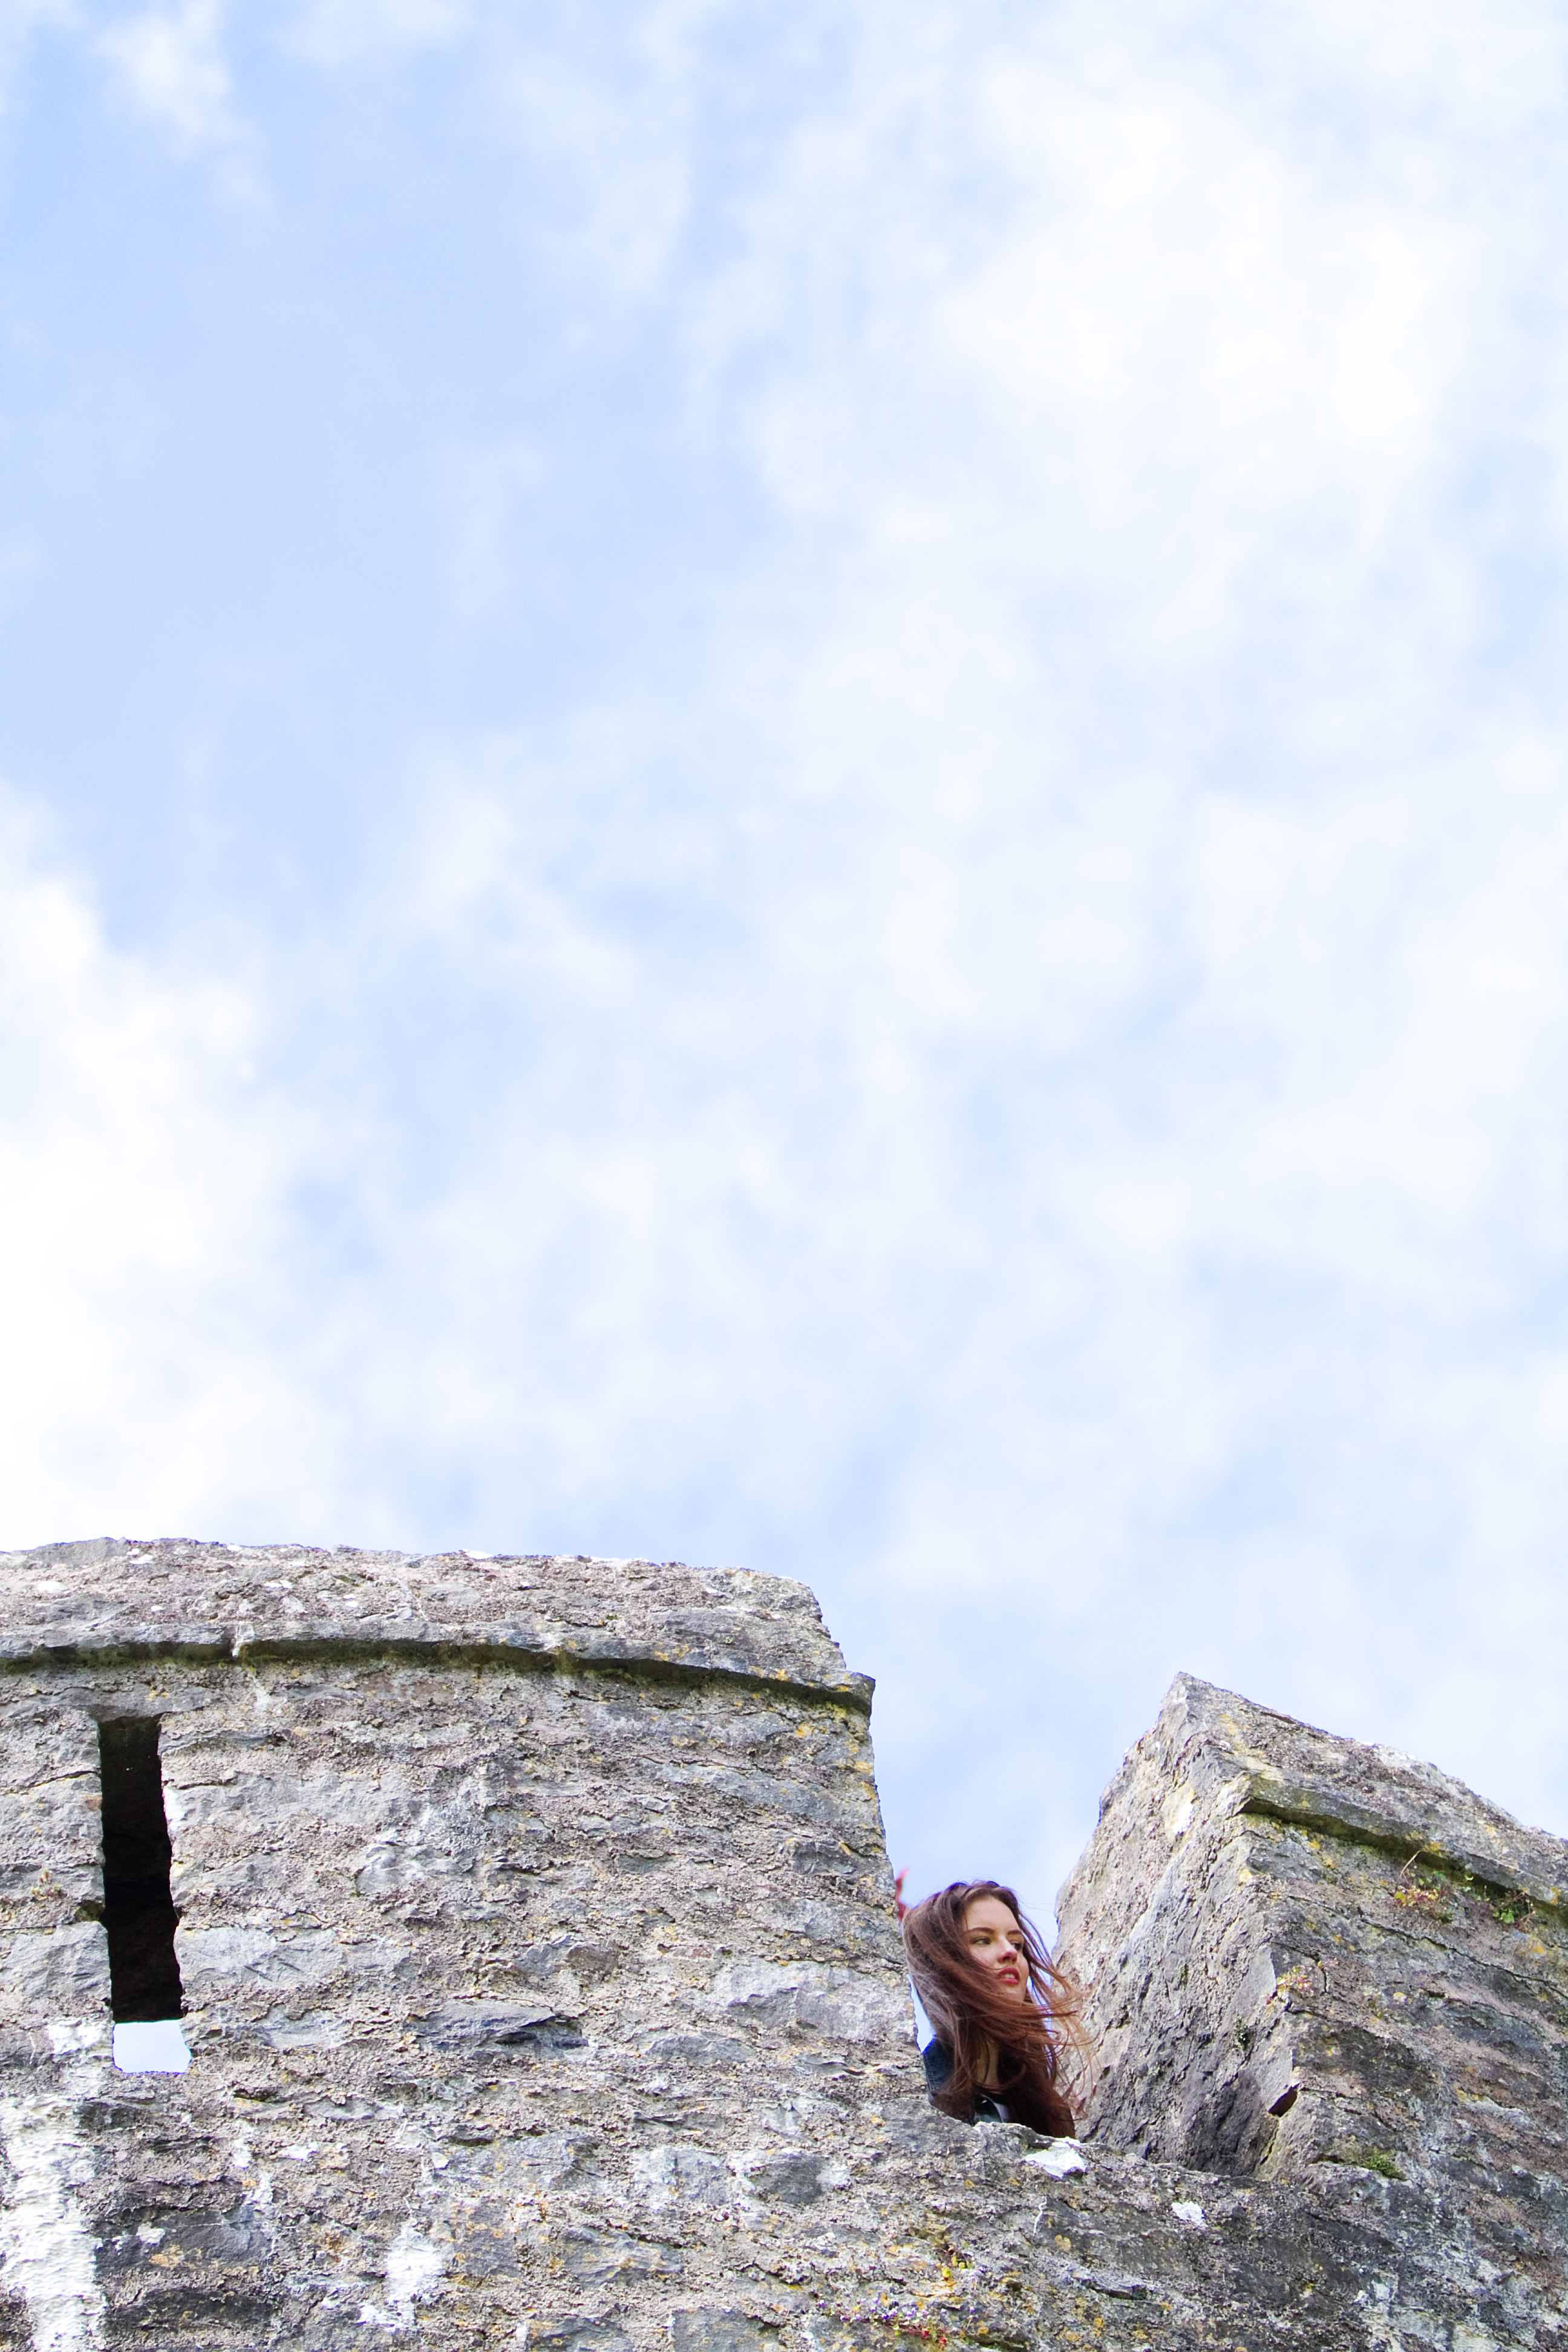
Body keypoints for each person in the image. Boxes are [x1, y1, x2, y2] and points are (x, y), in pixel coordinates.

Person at [901, 1879, 1079, 2136]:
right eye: (983, 1940)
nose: (1010, 1952)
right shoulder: (914, 2097)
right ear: (941, 1963)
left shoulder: (1051, 2114)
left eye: (1017, 1944)